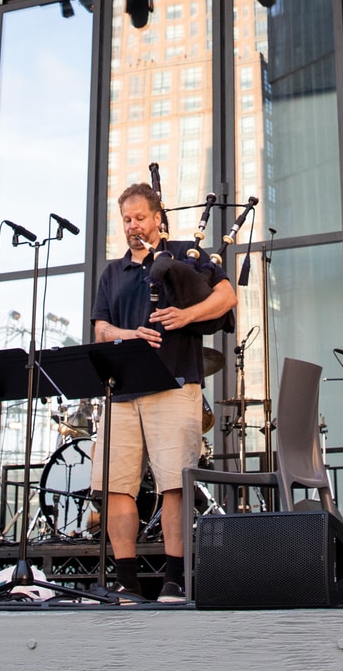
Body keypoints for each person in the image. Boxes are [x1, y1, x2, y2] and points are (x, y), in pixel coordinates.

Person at [90, 182, 236, 603]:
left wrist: (187, 314)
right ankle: (127, 583)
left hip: (174, 385)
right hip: (122, 393)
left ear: (158, 218)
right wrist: (127, 334)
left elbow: (227, 297)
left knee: (174, 484)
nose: (133, 226)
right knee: (117, 487)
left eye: (140, 217)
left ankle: (174, 581)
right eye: (126, 220)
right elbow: (100, 328)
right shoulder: (111, 273)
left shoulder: (186, 256)